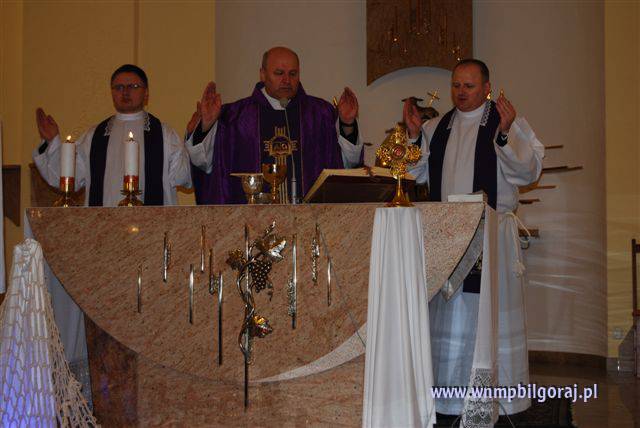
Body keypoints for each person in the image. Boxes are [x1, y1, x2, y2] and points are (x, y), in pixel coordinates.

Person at [404, 58, 545, 416]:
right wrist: (413, 136)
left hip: (490, 238)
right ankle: (450, 399)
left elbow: (528, 170)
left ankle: (496, 398)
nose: (460, 92)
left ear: (486, 88)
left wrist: (504, 135)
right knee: (453, 316)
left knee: (485, 317)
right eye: (456, 85)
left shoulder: (505, 123)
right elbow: (414, 174)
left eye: (469, 86)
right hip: (448, 238)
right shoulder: (437, 127)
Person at [187, 46, 364, 204]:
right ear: (262, 74)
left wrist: (347, 124)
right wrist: (207, 125)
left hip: (309, 219)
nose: (286, 80)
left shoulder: (320, 114)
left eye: (293, 74)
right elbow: (203, 162)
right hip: (249, 220)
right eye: (279, 73)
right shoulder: (235, 116)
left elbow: (346, 164)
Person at [34, 64, 192, 206]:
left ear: (146, 93)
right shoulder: (94, 136)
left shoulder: (164, 134)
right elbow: (68, 179)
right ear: (112, 92)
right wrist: (51, 142)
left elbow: (184, 177)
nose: (125, 92)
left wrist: (193, 136)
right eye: (119, 87)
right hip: (105, 224)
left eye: (133, 86)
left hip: (151, 225)